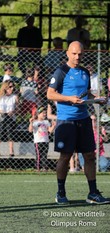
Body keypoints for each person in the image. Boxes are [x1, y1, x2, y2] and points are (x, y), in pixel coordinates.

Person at [46, 41, 109, 204]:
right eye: (74, 53)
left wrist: (97, 99)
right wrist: (68, 99)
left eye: (80, 54)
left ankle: (93, 193)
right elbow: (50, 94)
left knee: (89, 155)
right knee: (65, 156)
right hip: (66, 120)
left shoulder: (84, 72)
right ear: (68, 53)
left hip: (84, 120)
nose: (77, 57)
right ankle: (60, 193)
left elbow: (86, 94)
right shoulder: (61, 71)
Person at [0, 80, 18, 157]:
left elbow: (19, 109)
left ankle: (11, 150)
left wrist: (13, 111)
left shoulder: (14, 97)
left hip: (10, 117)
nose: (12, 88)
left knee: (10, 130)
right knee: (0, 129)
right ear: (5, 87)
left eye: (12, 86)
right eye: (10, 87)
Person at [28, 106, 56, 171]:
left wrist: (53, 126)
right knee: (39, 155)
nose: (44, 114)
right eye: (43, 113)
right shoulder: (35, 122)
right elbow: (30, 130)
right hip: (38, 141)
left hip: (45, 141)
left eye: (45, 113)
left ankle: (45, 168)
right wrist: (31, 123)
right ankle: (38, 168)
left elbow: (50, 131)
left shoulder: (46, 122)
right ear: (38, 114)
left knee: (44, 155)